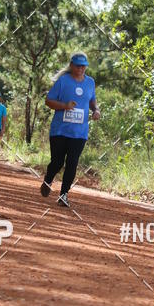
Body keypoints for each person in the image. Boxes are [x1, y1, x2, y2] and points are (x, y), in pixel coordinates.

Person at [40, 52, 100, 208]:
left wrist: (96, 110)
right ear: (72, 65)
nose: (81, 68)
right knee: (57, 162)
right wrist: (64, 106)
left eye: (83, 66)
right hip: (60, 130)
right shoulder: (63, 81)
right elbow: (48, 101)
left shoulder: (90, 82)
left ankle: (64, 194)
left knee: (72, 162)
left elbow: (92, 100)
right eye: (78, 65)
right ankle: (48, 179)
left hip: (79, 132)